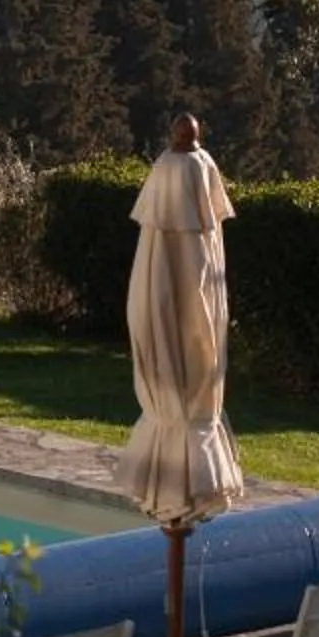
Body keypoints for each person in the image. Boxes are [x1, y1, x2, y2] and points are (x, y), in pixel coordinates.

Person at [115, 112, 247, 528]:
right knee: (195, 331)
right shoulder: (195, 177)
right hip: (188, 420)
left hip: (180, 419)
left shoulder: (179, 173)